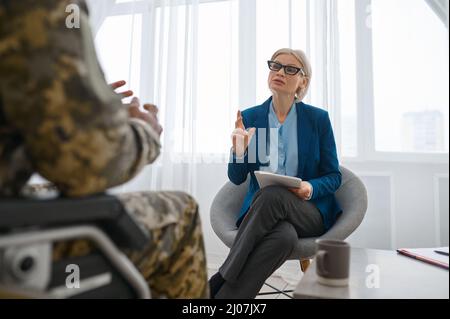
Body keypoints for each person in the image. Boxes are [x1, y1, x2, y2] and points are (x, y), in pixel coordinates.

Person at [0, 0, 208, 298]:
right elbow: (85, 166)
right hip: (11, 238)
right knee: (181, 214)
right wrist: (144, 131)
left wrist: (87, 111)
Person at [209, 48, 342, 299]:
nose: (280, 72)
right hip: (266, 215)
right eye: (275, 66)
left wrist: (309, 187)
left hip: (307, 210)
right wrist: (239, 152)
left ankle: (220, 277)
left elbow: (334, 176)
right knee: (283, 238)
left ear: (303, 81)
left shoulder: (317, 120)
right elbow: (237, 178)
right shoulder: (252, 118)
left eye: (290, 69)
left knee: (272, 195)